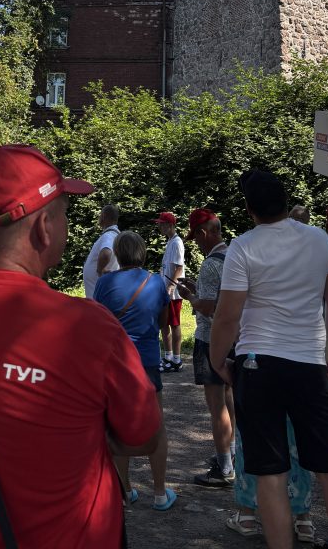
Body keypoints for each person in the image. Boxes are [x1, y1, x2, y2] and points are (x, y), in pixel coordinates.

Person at [0, 144, 162, 549]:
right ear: (44, 227)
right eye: (64, 213)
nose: (67, 225)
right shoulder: (88, 328)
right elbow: (143, 437)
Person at [210, 168, 328, 549]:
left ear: (250, 210)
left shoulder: (243, 247)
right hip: (309, 363)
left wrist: (217, 359)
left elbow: (228, 316)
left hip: (257, 364)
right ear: (285, 201)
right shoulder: (321, 242)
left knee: (270, 473)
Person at [94, 229, 176, 510]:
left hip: (115, 362)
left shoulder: (104, 283)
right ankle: (160, 493)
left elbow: (99, 320)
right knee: (157, 425)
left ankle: (126, 490)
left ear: (118, 252)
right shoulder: (156, 283)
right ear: (142, 251)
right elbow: (163, 324)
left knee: (117, 424)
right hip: (147, 360)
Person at [179, 207, 236, 488]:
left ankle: (224, 467)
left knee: (216, 407)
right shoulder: (233, 256)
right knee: (229, 399)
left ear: (204, 233)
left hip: (210, 338)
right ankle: (232, 454)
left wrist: (190, 296)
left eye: (196, 238)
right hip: (233, 338)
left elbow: (210, 307)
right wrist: (197, 288)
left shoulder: (211, 264)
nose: (197, 244)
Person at [154, 210, 185, 371]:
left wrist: (171, 287)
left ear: (170, 225)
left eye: (162, 224)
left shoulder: (177, 242)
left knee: (174, 324)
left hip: (173, 292)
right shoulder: (170, 241)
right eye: (160, 224)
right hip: (166, 290)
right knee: (164, 324)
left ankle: (176, 360)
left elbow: (179, 268)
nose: (160, 227)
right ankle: (168, 357)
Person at [82, 203, 120, 298]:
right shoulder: (116, 236)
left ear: (103, 217)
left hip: (97, 294)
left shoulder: (109, 235)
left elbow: (106, 253)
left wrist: (100, 270)